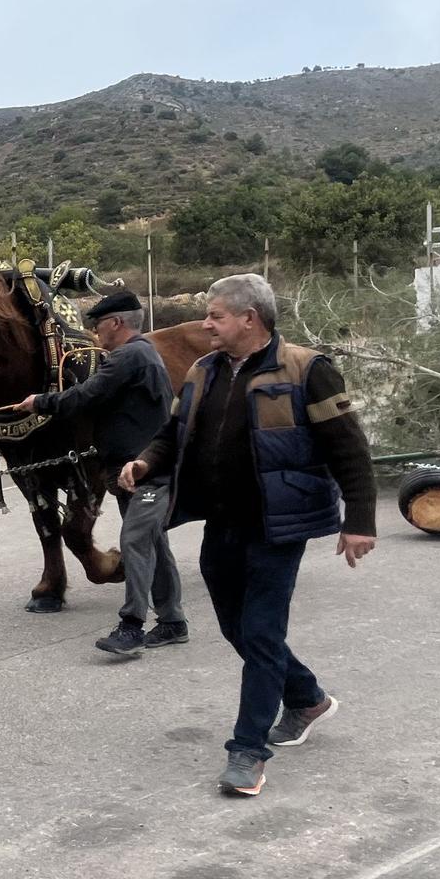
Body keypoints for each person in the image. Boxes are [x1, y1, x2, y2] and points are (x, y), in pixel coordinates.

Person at [119, 274, 376, 798]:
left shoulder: (308, 370)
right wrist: (145, 462)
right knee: (239, 629)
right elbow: (173, 433)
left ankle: (247, 751)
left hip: (278, 526)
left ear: (249, 319)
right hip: (221, 520)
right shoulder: (202, 370)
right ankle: (307, 698)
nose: (205, 324)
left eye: (215, 315)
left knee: (259, 632)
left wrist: (360, 522)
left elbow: (350, 448)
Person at [11, 288, 186, 659]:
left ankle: (132, 626)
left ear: (116, 323)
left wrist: (39, 402)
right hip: (138, 468)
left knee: (136, 542)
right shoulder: (143, 353)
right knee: (154, 543)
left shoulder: (126, 357)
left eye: (99, 325)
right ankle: (172, 621)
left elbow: (86, 395)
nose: (95, 333)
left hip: (141, 471)